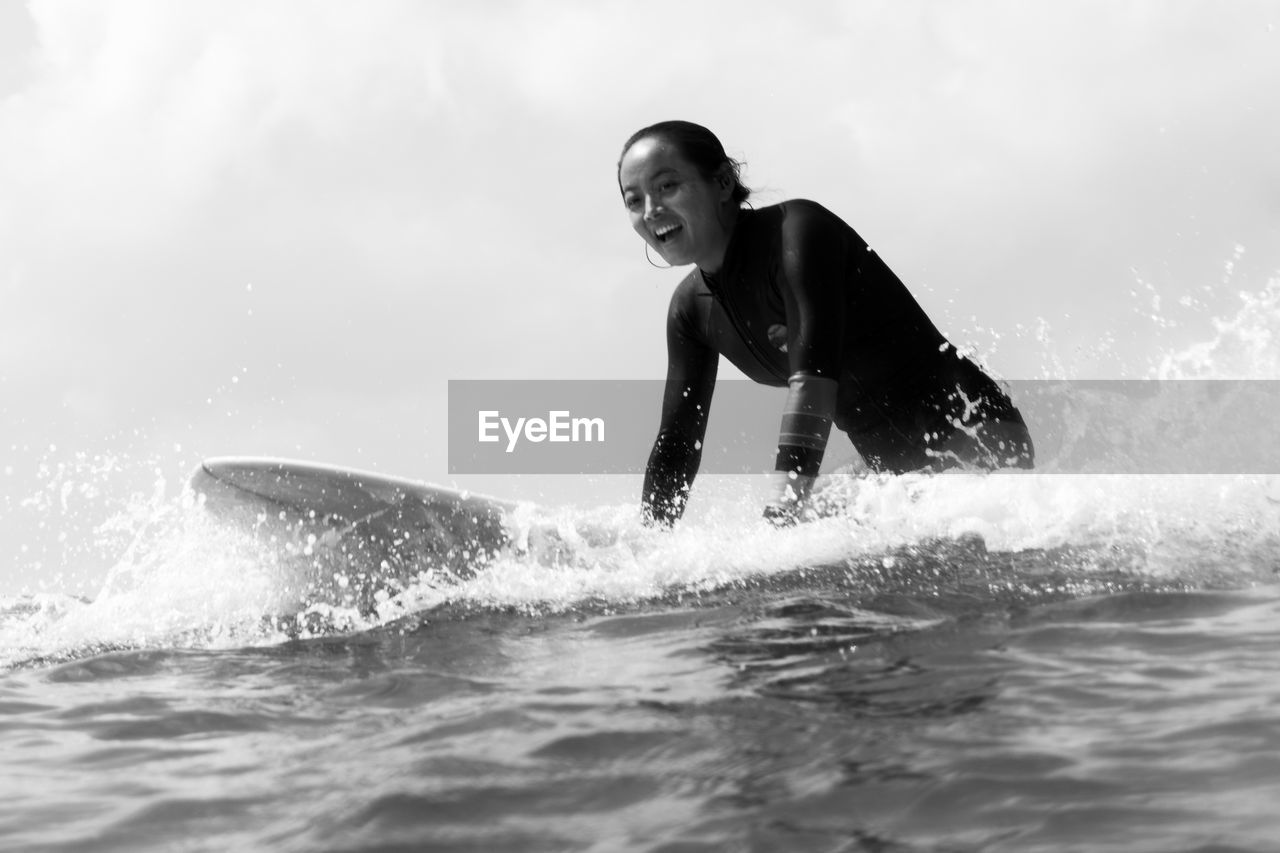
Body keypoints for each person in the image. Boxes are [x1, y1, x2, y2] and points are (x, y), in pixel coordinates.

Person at [617, 120, 1034, 527]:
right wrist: (653, 546)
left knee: (797, 539)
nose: (651, 211)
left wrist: (782, 513)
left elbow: (812, 382)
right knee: (809, 539)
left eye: (667, 186)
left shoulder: (796, 232)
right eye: (634, 200)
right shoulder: (690, 311)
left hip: (977, 439)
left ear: (723, 183)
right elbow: (677, 442)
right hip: (892, 476)